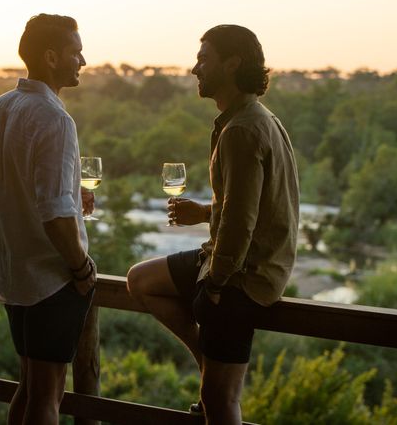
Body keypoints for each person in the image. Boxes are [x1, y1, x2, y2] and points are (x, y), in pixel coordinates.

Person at [126, 24, 299, 424]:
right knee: (140, 280)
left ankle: (214, 366)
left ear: (233, 63)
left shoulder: (242, 130)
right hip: (232, 263)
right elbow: (251, 205)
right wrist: (205, 213)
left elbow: (240, 224)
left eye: (204, 59)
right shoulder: (254, 119)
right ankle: (208, 355)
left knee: (219, 400)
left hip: (241, 277)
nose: (194, 68)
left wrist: (216, 285)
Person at [0, 13, 96, 425]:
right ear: (51, 56)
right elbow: (56, 215)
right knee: (48, 393)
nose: (83, 60)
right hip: (50, 280)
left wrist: (71, 191)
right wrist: (81, 267)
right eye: (76, 52)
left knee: (28, 384)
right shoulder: (55, 119)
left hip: (11, 274)